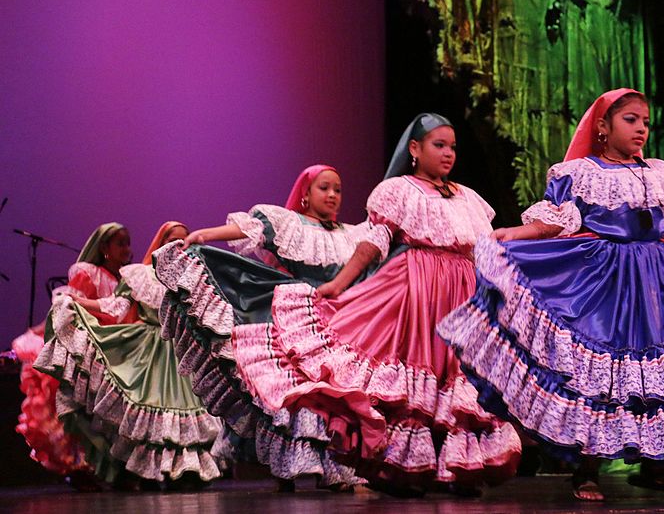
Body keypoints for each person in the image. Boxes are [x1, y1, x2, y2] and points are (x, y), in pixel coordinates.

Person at [437, 89, 664, 501]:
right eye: (630, 119)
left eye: (645, 120)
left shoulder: (657, 174)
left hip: (660, 281)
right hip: (605, 279)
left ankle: (659, 466)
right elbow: (558, 221)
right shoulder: (582, 172)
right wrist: (515, 234)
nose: (641, 128)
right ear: (603, 128)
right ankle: (586, 467)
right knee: (603, 375)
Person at [231, 114, 521, 497]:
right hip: (417, 286)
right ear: (414, 150)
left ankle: (454, 468)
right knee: (415, 377)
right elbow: (373, 243)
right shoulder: (399, 190)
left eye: (452, 146)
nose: (448, 153)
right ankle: (405, 470)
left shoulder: (469, 199)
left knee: (457, 377)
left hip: (462, 291)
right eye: (438, 145)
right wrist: (339, 282)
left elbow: (483, 249)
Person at [153, 165, 370, 491]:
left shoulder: (352, 235)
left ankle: (335, 466)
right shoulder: (289, 223)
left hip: (339, 319)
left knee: (334, 393)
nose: (332, 196)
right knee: (295, 393)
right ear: (306, 194)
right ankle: (289, 465)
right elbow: (249, 229)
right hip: (297, 314)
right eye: (324, 188)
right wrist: (203, 235)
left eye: (338, 190)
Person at [34, 222, 226, 490]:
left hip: (182, 352)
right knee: (149, 414)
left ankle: (186, 472)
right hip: (150, 349)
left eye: (186, 242)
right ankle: (149, 472)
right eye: (174, 240)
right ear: (160, 242)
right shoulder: (141, 275)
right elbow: (115, 306)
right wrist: (77, 302)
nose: (181, 247)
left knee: (188, 413)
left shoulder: (194, 277)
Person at [13, 222, 131, 491]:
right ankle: (80, 468)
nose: (126, 249)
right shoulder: (89, 274)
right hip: (90, 352)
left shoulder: (126, 278)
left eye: (127, 243)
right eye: (120, 243)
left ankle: (112, 469)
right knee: (81, 413)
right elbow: (67, 309)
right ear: (103, 248)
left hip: (118, 351)